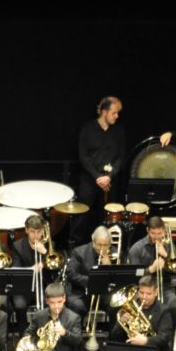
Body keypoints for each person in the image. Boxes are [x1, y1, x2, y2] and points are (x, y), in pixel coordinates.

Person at [74, 96, 125, 246]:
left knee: (107, 216)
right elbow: (83, 156)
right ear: (104, 112)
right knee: (82, 216)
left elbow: (121, 157)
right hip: (90, 180)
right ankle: (77, 248)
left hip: (109, 181)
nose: (117, 116)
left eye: (117, 113)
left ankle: (107, 247)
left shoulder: (118, 131)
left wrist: (109, 176)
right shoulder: (87, 129)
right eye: (114, 113)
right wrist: (98, 177)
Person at [65, 226, 115, 317]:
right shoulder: (79, 252)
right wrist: (91, 281)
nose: (102, 249)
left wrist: (109, 267)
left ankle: (113, 331)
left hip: (105, 294)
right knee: (77, 305)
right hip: (82, 292)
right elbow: (71, 274)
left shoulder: (115, 253)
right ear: (93, 241)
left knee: (117, 304)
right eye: (99, 245)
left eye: (106, 245)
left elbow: (119, 278)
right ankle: (77, 331)